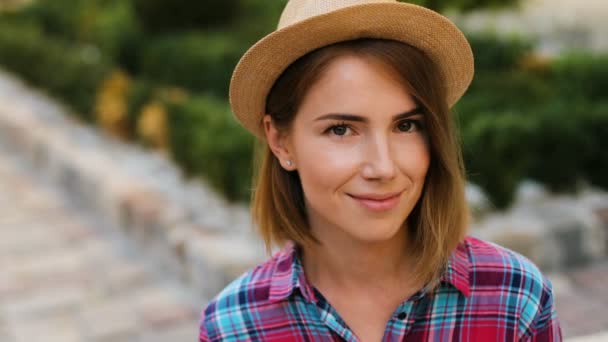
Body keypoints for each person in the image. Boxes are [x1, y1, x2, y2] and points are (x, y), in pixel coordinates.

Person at [199, 0, 563, 341]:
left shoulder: (516, 300)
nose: (383, 167)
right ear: (280, 141)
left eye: (406, 126)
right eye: (340, 129)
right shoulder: (234, 328)